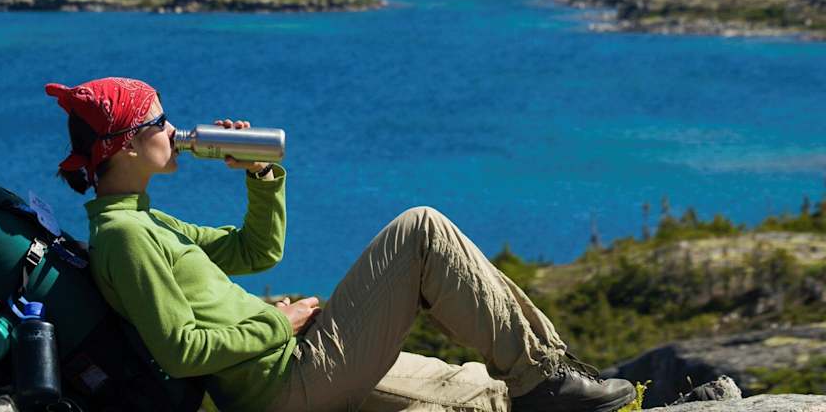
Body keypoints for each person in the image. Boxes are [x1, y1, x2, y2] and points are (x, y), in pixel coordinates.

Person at [46, 77, 636, 412]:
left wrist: (259, 174)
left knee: (483, 397)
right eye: (158, 122)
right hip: (285, 379)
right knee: (421, 230)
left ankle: (536, 385)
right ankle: (543, 373)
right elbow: (181, 350)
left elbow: (257, 252)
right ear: (125, 146)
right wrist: (278, 321)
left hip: (295, 367)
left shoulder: (145, 221)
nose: (173, 129)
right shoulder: (125, 237)